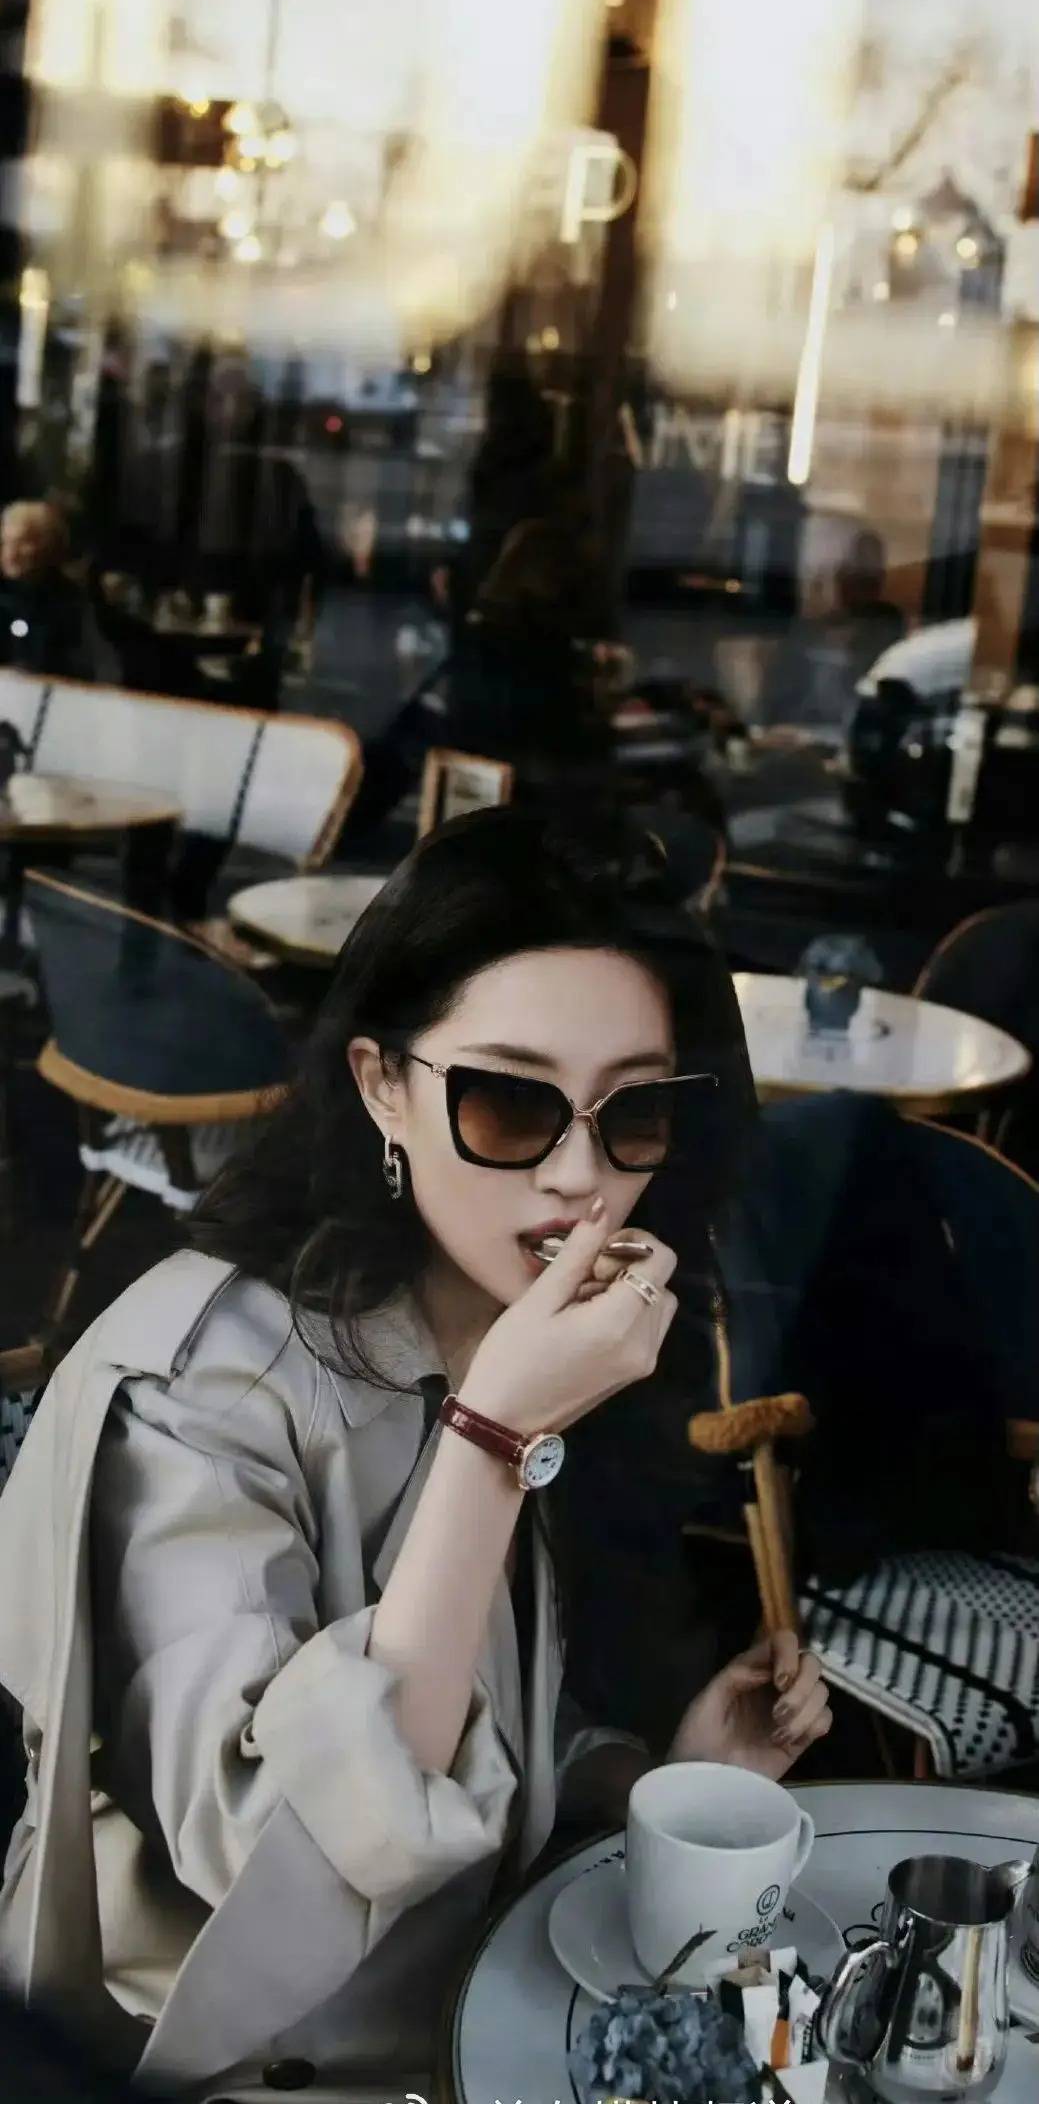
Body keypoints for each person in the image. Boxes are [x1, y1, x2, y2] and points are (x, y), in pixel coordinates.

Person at [0, 808, 830, 2100]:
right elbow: (272, 1851)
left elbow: (477, 1723)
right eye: (510, 1103)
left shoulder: (504, 1336)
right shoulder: (200, 1393)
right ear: (382, 1083)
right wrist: (491, 1440)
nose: (578, 1178)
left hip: (469, 2017)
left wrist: (656, 1781)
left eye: (632, 1114)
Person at [0, 500, 91, 678]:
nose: (11, 554)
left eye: (22, 543)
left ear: (50, 546)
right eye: (5, 543)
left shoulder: (72, 604)